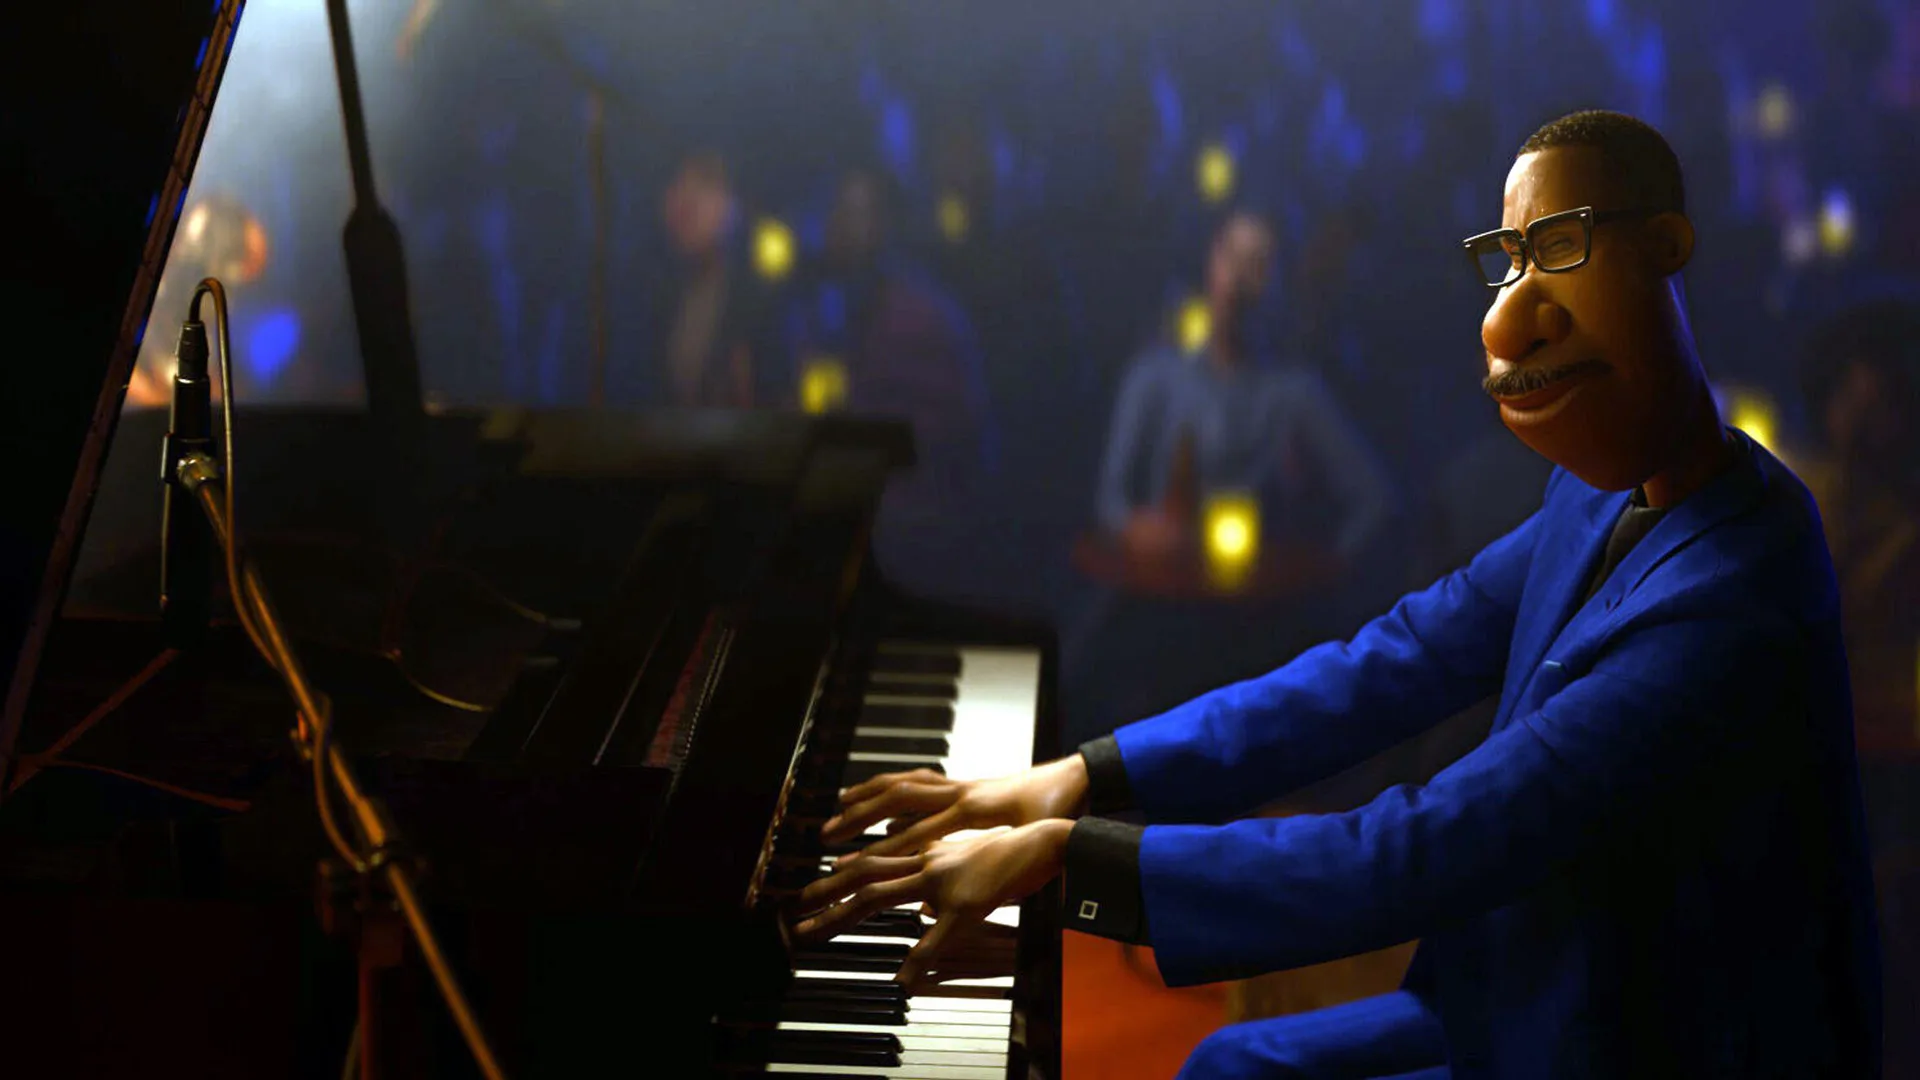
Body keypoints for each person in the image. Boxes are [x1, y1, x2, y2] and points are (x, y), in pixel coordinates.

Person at [792, 110, 1882, 1077]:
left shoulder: (1736, 593)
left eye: (1560, 245)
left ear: (1665, 250)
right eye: (1506, 259)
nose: (1514, 311)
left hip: (1642, 1043)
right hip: (1523, 1003)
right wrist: (1079, 778)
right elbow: (1392, 662)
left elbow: (1431, 843)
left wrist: (1070, 863)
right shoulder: (1596, 497)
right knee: (1230, 1061)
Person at [1094, 211, 1395, 570]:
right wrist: (1133, 529)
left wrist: (1319, 572)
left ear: (1277, 280)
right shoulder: (1154, 376)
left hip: (1262, 608)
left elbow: (1373, 499)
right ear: (1211, 259)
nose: (1237, 277)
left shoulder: (1294, 393)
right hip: (1166, 593)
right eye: (1230, 256)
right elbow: (1109, 500)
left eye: (1257, 263)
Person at [647, 151, 764, 408]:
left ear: (735, 206)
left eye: (707, 182)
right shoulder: (636, 290)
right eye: (678, 180)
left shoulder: (755, 301)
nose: (688, 197)